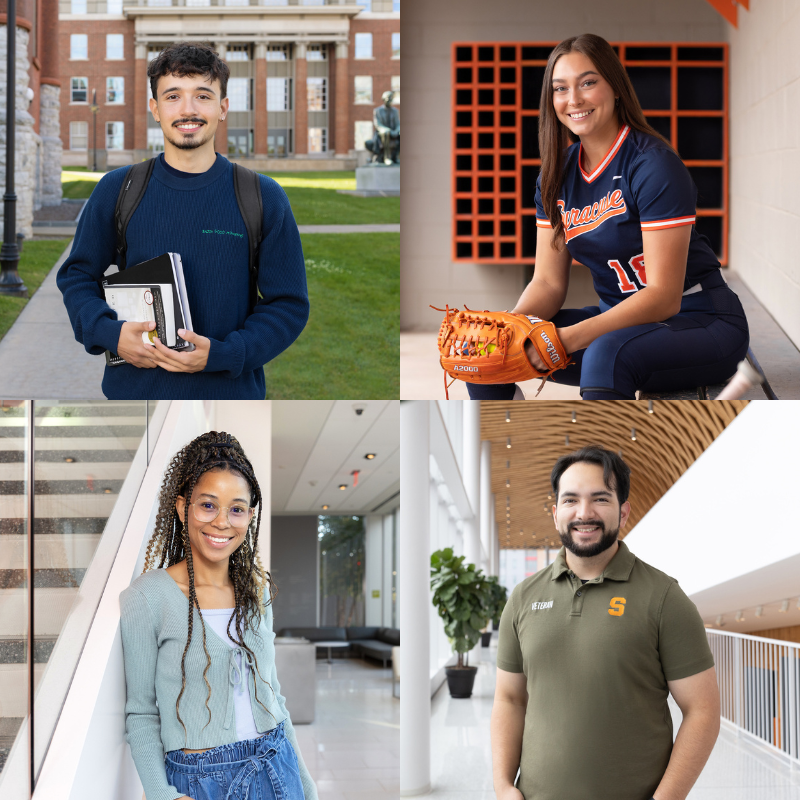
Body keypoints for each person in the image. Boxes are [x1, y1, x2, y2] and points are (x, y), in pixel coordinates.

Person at [467, 34, 749, 400]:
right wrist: (514, 328)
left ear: (615, 87)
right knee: (487, 354)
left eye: (588, 82)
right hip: (620, 322)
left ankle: (609, 456)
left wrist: (563, 340)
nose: (574, 100)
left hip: (700, 319)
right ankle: (516, 444)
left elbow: (664, 297)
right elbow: (548, 284)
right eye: (560, 88)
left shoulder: (652, 165)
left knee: (606, 354)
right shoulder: (556, 174)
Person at [57, 42, 309, 400]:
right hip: (135, 395)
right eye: (173, 96)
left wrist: (224, 354)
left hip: (228, 397)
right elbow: (77, 276)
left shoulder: (262, 195)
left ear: (223, 108)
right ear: (155, 109)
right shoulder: (118, 189)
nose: (188, 110)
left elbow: (289, 304)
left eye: (203, 96)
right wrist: (110, 334)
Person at [492, 445, 720, 800]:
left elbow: (702, 711)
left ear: (623, 511)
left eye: (600, 499)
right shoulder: (523, 598)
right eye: (570, 501)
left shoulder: (664, 599)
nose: (584, 513)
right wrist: (504, 787)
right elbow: (509, 699)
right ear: (556, 513)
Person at [119, 431, 318, 800]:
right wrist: (161, 795)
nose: (222, 522)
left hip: (279, 765)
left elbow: (274, 694)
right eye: (208, 505)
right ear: (182, 508)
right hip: (200, 783)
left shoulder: (256, 592)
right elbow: (141, 713)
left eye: (236, 508)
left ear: (249, 516)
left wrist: (307, 784)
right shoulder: (147, 598)